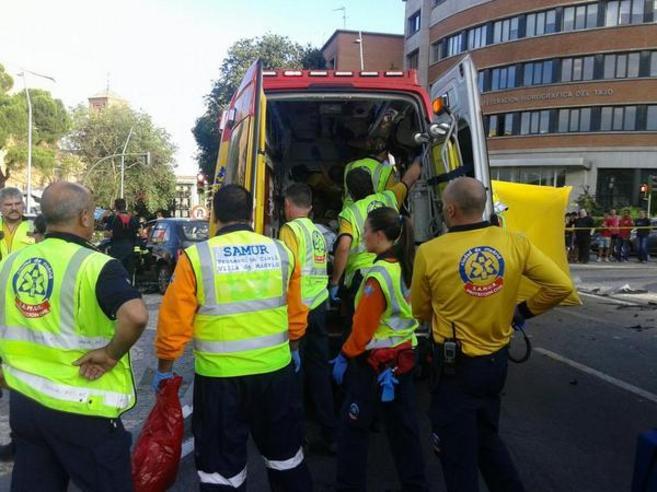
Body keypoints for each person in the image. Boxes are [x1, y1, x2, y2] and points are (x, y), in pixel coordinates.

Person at [411, 177, 573, 492]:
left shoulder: (430, 252)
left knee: (456, 456)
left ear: (450, 210)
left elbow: (420, 310)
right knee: (487, 440)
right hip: (496, 364)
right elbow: (561, 286)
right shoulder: (515, 243)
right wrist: (521, 312)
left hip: (455, 369)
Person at [154, 184, 313, 491]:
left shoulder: (196, 258)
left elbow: (173, 324)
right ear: (251, 213)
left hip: (219, 380)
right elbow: (296, 314)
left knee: (221, 472)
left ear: (214, 215)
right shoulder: (281, 252)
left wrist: (164, 370)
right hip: (275, 374)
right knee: (286, 459)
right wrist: (294, 347)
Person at [0, 181, 148, 490]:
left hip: (26, 405)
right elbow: (135, 316)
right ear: (84, 217)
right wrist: (110, 354)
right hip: (81, 404)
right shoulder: (97, 265)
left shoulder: (11, 263)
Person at [332, 207, 428, 491]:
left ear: (379, 235)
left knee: (352, 430)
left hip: (374, 364)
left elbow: (363, 329)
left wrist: (344, 355)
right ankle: (416, 485)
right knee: (404, 431)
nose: (363, 237)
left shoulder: (378, 275)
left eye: (366, 231)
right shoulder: (407, 266)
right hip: (404, 358)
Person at [279, 183, 337, 453]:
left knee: (296, 376)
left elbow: (289, 273)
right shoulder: (318, 232)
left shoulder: (290, 230)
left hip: (299, 308)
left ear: (287, 205)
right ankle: (330, 433)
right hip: (319, 306)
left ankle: (296, 435)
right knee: (320, 372)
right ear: (311, 207)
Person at [330, 157, 422, 308]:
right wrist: (419, 161)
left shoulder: (350, 213)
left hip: (363, 277)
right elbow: (409, 179)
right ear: (371, 184)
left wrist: (335, 281)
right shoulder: (390, 197)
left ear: (350, 193)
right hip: (393, 269)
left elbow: (344, 247)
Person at [342, 138, 399, 208]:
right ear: (384, 153)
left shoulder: (349, 165)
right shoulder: (387, 171)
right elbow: (393, 196)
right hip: (372, 210)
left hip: (348, 211)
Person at [104, 198, 139, 282]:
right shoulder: (133, 218)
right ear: (125, 206)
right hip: (130, 248)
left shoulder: (113, 218)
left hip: (116, 248)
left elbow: (106, 234)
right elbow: (139, 233)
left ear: (115, 207)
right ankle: (129, 286)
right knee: (129, 272)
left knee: (116, 271)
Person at [0, 187, 34, 261]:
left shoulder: (34, 228)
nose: (14, 208)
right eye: (8, 205)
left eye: (18, 204)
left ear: (23, 205)